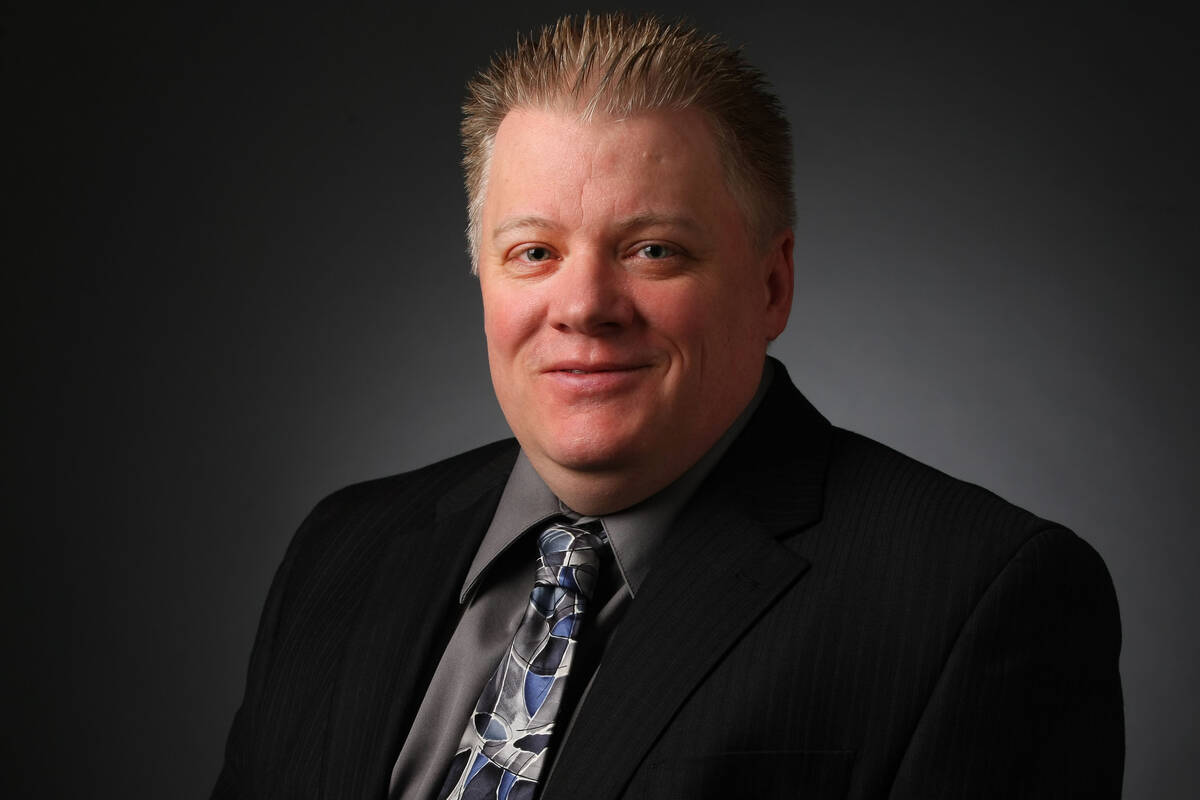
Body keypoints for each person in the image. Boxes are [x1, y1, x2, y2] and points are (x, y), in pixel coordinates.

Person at [212, 13, 1123, 799]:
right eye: (534, 252)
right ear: (483, 277)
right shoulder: (342, 551)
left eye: (651, 250)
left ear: (771, 286)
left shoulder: (976, 599)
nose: (583, 306)